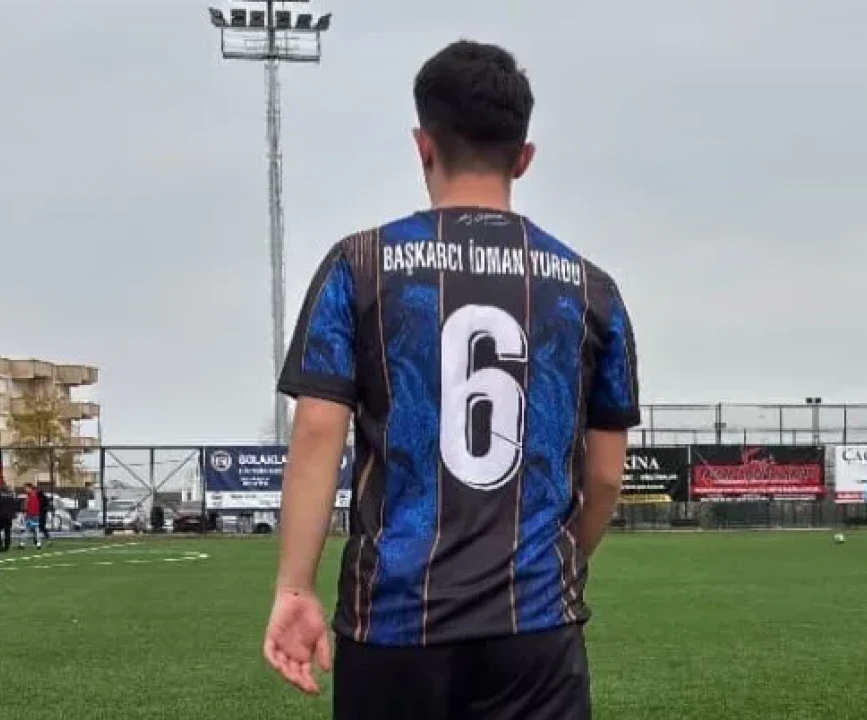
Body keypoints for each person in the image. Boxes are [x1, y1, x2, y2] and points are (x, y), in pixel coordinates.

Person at [262, 40, 640, 720]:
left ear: (423, 145)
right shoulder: (591, 289)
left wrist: (295, 588)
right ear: (523, 157)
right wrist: (561, 565)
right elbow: (607, 476)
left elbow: (318, 433)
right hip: (535, 623)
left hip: (394, 619)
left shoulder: (359, 266)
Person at [0, 487, 16, 553]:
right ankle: (6, 547)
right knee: (7, 533)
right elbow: (13, 509)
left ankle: (0, 547)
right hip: (8, 519)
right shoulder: (10, 499)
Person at [21, 484, 42, 550]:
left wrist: (26, 513)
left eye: (26, 488)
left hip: (31, 515)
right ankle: (38, 544)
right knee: (35, 530)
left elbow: (26, 506)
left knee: (28, 529)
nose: (25, 490)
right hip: (34, 515)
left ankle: (22, 544)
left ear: (30, 488)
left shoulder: (30, 496)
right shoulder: (34, 495)